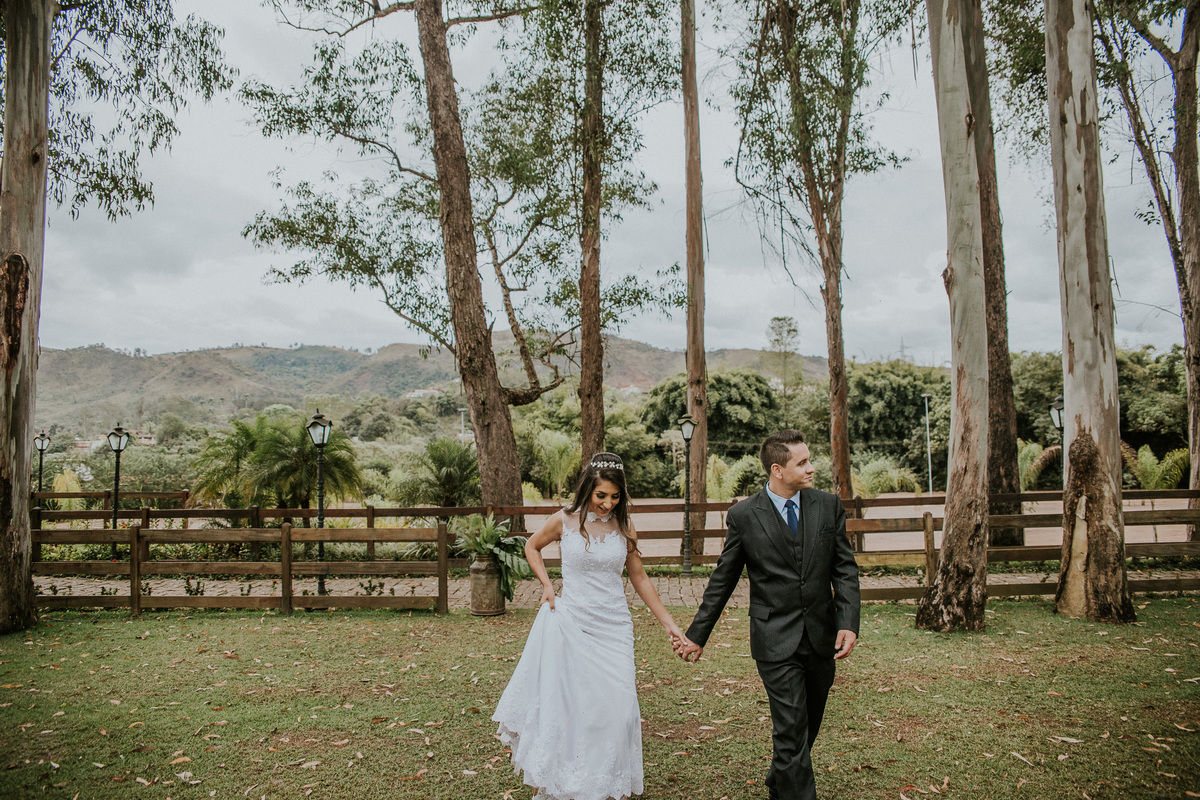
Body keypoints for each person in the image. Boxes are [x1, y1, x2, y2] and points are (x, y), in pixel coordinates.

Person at [493, 452, 694, 800]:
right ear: (587, 489)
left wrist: (670, 624)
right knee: (573, 706)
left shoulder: (625, 526)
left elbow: (640, 577)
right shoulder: (564, 520)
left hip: (615, 626)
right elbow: (532, 546)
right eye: (601, 496)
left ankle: (604, 782)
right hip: (573, 622)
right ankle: (570, 781)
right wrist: (545, 584)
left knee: (620, 710)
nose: (608, 504)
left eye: (615, 497)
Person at [675, 430, 860, 800]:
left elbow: (845, 568)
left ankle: (781, 779)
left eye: (810, 460)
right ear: (777, 469)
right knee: (791, 729)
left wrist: (848, 622)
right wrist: (697, 634)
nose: (811, 467)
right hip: (774, 638)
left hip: (822, 637)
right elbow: (723, 579)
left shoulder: (827, 506)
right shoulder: (744, 515)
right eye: (802, 462)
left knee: (807, 727)